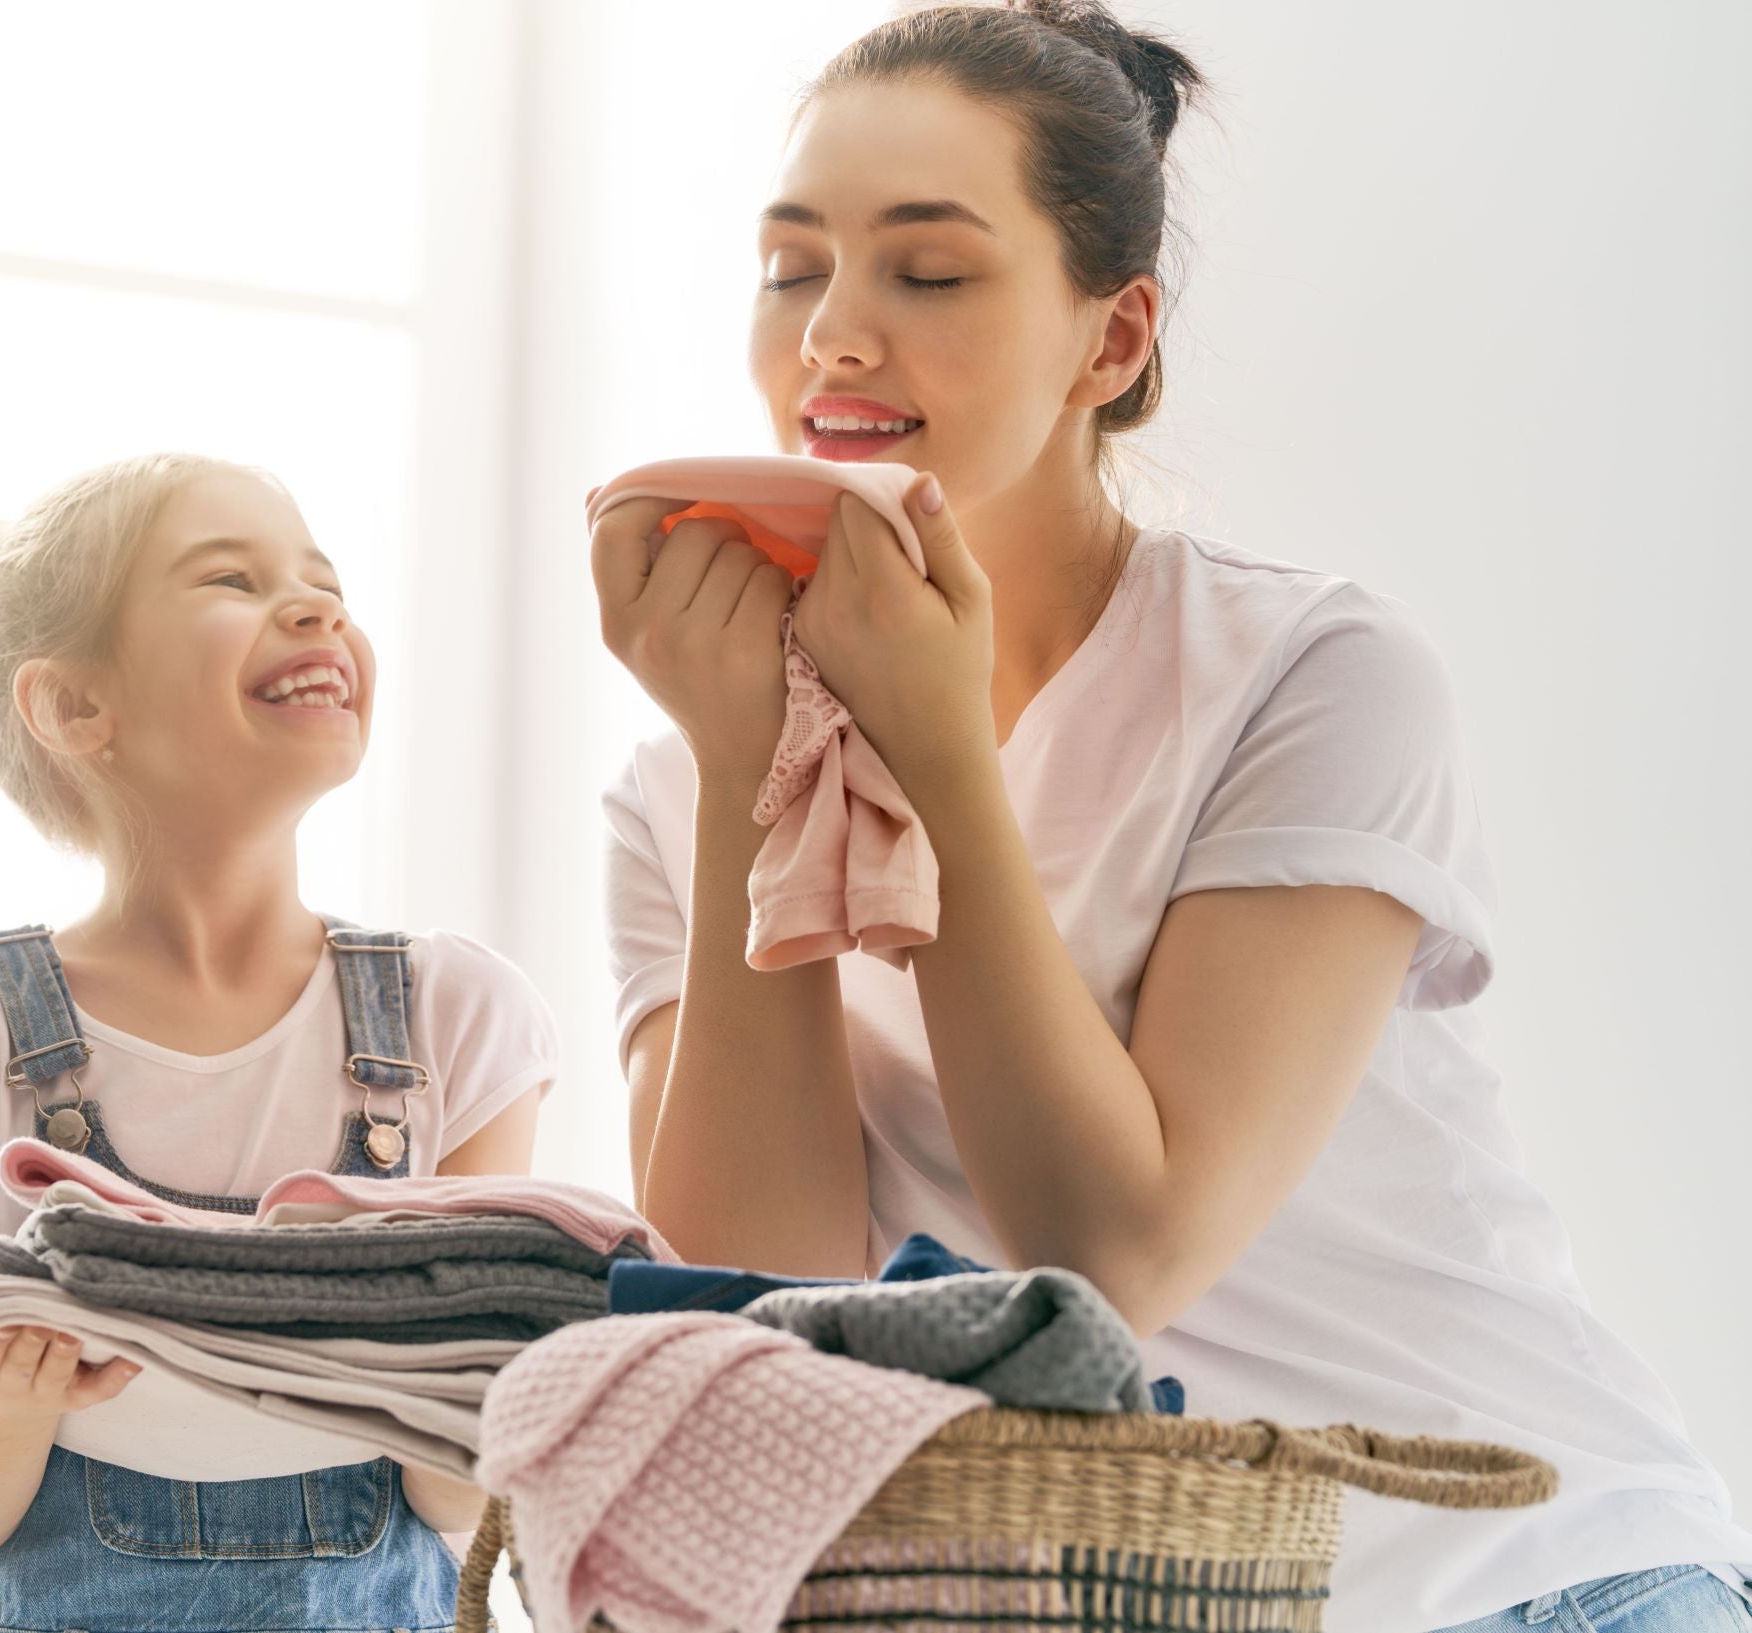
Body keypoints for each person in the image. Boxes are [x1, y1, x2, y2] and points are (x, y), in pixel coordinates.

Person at [591, 5, 1752, 1627]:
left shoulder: (1308, 677)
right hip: (1148, 1594)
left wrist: (933, 747)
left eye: (924, 272)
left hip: (1524, 1571)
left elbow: (1111, 1258)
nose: (830, 336)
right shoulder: (678, 774)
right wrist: (742, 769)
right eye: (790, 268)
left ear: (1109, 341)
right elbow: (776, 1297)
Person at [0, 452, 555, 1631]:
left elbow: (459, 1497)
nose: (315, 606)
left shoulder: (458, 1015)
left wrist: (464, 1389)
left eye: (322, 580)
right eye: (230, 578)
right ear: (76, 705)